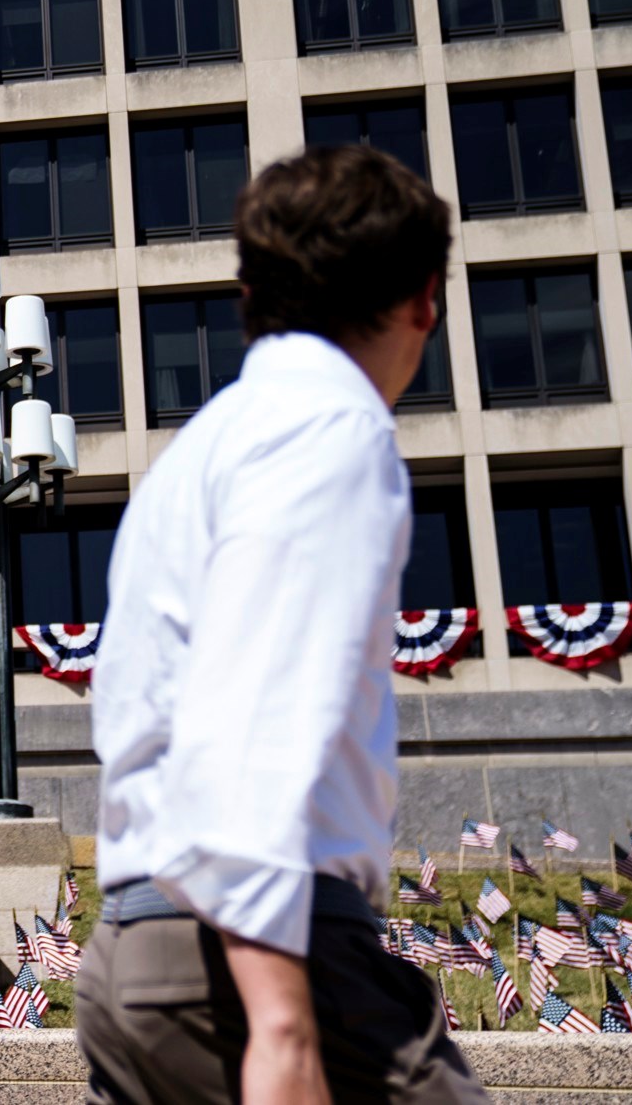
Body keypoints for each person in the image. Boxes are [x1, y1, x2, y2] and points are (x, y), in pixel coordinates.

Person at [78, 146, 485, 1105]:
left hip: (138, 951)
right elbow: (250, 721)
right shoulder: (328, 430)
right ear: (424, 297)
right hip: (253, 957)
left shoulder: (208, 443)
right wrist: (284, 1026)